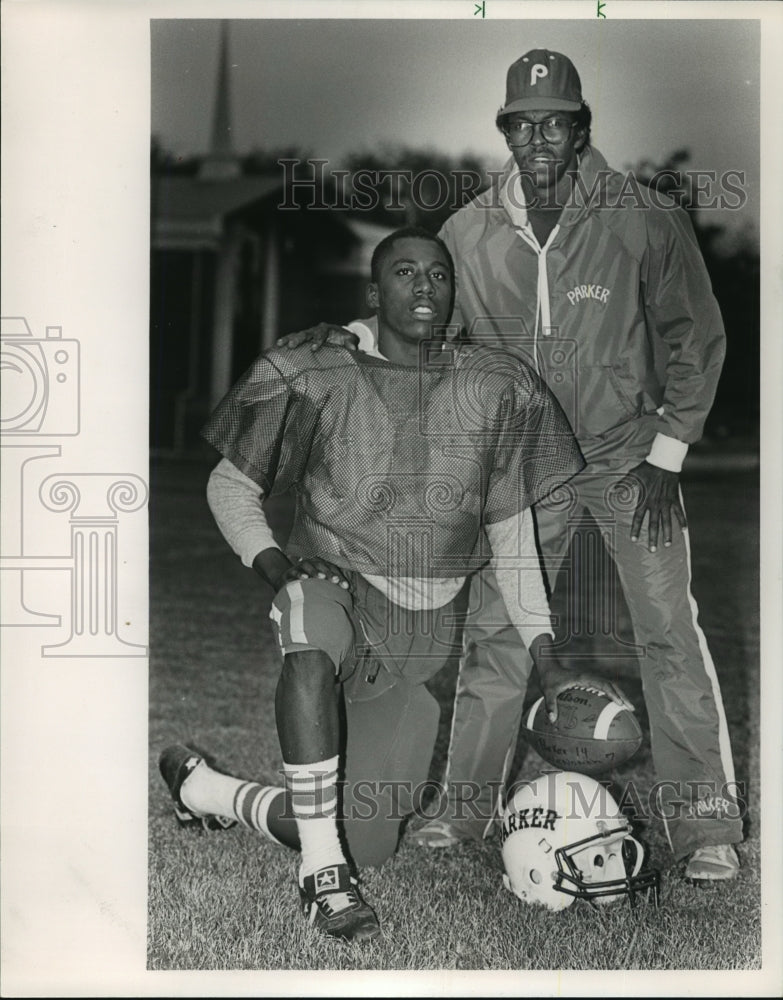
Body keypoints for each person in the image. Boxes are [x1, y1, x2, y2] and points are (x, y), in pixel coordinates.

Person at [279, 51, 743, 883]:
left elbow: (695, 338)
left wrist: (668, 453)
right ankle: (462, 810)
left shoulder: (640, 217)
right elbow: (421, 314)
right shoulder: (467, 231)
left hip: (626, 457)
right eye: (521, 122)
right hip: (522, 469)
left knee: (668, 631)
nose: (537, 136)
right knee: (496, 635)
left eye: (554, 122)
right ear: (504, 129)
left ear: (579, 130)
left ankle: (704, 825)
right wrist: (351, 338)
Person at [159, 226, 631, 944]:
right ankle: (321, 877)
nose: (423, 287)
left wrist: (544, 652)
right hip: (333, 586)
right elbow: (229, 487)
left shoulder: (492, 384)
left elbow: (510, 536)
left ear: (452, 293)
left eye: (437, 275)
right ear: (374, 293)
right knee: (308, 629)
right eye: (403, 273)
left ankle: (207, 790)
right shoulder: (317, 369)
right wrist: (278, 566)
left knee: (370, 839)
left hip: (417, 639)